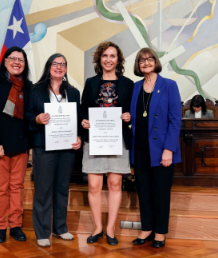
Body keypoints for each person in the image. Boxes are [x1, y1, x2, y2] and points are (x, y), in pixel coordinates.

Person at [25, 53, 82, 247]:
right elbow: (28, 115)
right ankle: (42, 231)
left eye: (63, 64)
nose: (59, 67)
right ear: (49, 66)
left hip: (67, 148)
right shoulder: (36, 90)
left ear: (66, 69)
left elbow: (78, 119)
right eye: (55, 64)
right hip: (44, 146)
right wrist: (37, 119)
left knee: (61, 188)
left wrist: (79, 137)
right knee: (43, 189)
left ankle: (60, 228)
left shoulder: (73, 92)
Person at [80, 41, 134, 245]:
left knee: (114, 183)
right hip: (94, 139)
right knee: (94, 186)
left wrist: (130, 117)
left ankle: (111, 229)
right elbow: (83, 109)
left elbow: (132, 111)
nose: (108, 59)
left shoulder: (128, 83)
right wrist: (83, 121)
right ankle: (98, 228)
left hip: (117, 139)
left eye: (112, 56)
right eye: (105, 56)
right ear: (99, 59)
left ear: (118, 60)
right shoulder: (90, 82)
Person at [130, 48, 182, 248]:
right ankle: (147, 228)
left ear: (156, 61)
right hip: (140, 148)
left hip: (161, 151)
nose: (145, 62)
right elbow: (133, 115)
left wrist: (169, 149)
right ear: (138, 65)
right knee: (143, 191)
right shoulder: (135, 87)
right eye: (141, 60)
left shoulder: (169, 85)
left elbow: (175, 120)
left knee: (160, 192)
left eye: (149, 59)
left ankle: (160, 232)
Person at [0, 46, 31, 243]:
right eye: (13, 58)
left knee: (17, 187)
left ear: (25, 64)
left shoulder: (28, 86)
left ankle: (16, 225)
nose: (17, 62)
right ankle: (1, 227)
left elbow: (29, 116)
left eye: (21, 59)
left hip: (20, 146)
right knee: (1, 188)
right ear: (5, 61)